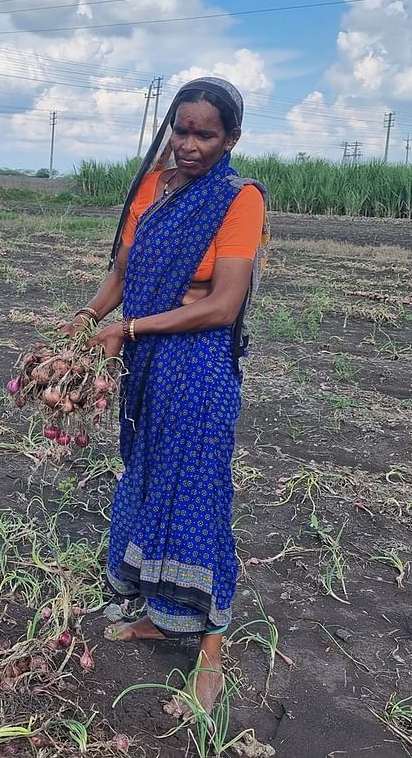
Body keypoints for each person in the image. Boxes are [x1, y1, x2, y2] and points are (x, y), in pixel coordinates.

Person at [65, 77, 268, 715]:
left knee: (198, 493)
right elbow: (123, 273)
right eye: (181, 129)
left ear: (231, 139)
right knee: (149, 479)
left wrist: (126, 327)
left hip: (199, 369)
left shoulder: (239, 200)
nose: (189, 144)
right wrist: (86, 317)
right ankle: (158, 613)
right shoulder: (151, 187)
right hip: (148, 361)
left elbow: (223, 304)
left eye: (205, 134)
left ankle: (211, 645)